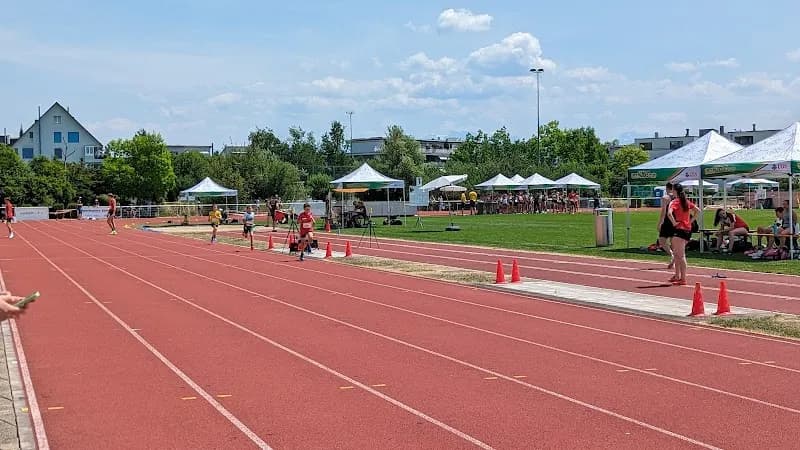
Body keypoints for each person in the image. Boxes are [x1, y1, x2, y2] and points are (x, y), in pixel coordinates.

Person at [667, 184, 700, 285]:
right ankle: (677, 276)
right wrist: (690, 221)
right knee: (677, 254)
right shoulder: (686, 201)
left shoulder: (675, 201)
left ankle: (683, 278)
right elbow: (698, 211)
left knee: (680, 255)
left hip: (680, 229)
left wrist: (674, 223)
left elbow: (669, 213)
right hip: (687, 230)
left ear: (674, 190)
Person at [656, 183, 675, 268]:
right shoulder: (678, 198)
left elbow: (663, 211)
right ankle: (674, 258)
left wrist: (660, 222)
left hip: (668, 221)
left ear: (667, 188)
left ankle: (672, 255)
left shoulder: (665, 198)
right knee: (673, 241)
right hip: (676, 221)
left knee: (662, 240)